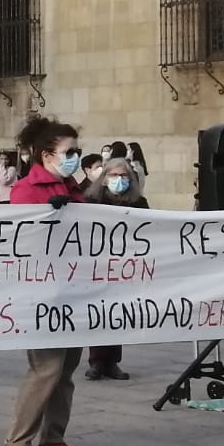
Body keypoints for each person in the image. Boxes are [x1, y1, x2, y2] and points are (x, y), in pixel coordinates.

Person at [3, 116, 89, 446]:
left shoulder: (74, 188)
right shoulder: (26, 190)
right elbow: (19, 240)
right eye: (68, 151)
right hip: (42, 294)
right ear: (45, 155)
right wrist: (45, 218)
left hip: (75, 291)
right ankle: (17, 442)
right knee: (46, 368)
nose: (74, 157)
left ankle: (53, 438)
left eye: (76, 151)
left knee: (66, 370)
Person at [82, 156, 147, 381]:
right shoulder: (91, 202)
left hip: (125, 265)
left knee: (117, 312)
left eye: (124, 176)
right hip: (98, 265)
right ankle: (97, 360)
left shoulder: (138, 202)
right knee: (99, 310)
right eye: (114, 175)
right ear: (103, 179)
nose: (119, 180)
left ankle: (112, 362)